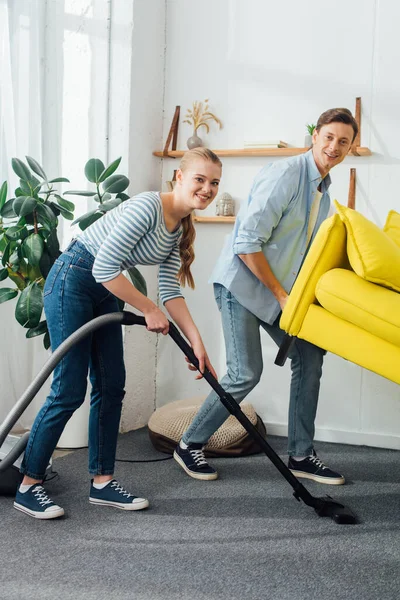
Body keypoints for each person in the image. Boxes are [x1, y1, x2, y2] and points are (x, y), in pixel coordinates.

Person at [14, 147, 222, 519]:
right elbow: (104, 266)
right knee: (69, 389)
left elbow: (171, 293)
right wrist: (147, 308)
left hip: (106, 288)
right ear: (179, 178)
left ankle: (102, 482)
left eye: (214, 183)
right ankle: (29, 486)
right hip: (74, 279)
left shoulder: (179, 229)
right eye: (200, 179)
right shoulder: (147, 207)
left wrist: (197, 342)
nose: (207, 189)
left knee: (111, 386)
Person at [174, 108, 358, 485]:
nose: (334, 146)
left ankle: (302, 455)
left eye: (343, 141)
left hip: (277, 292)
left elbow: (303, 255)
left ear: (351, 147)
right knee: (245, 373)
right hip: (241, 285)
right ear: (314, 137)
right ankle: (189, 444)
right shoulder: (287, 174)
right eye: (329, 137)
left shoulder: (323, 192)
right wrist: (281, 294)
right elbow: (246, 243)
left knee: (309, 354)